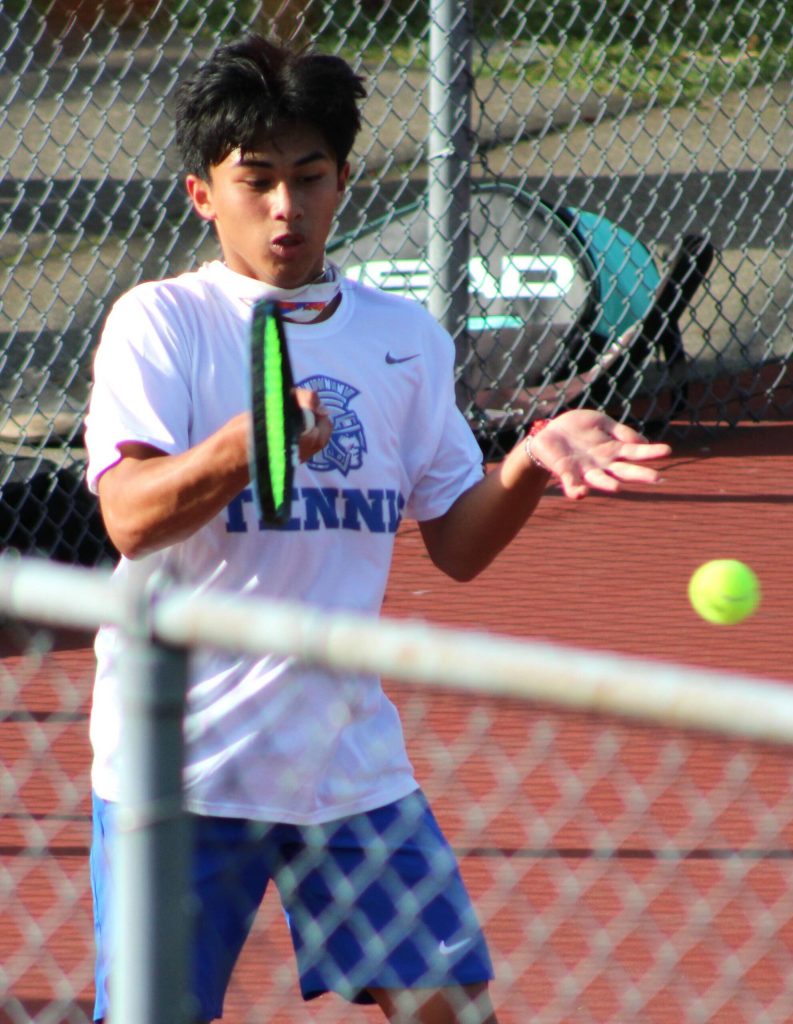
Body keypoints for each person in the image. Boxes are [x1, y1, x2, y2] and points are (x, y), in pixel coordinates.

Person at [84, 33, 671, 1024]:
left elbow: (457, 541)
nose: (285, 207)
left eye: (309, 177)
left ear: (344, 180)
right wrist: (250, 442)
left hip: (343, 758)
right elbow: (130, 517)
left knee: (448, 1004)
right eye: (256, 180)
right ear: (201, 194)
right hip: (182, 758)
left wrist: (526, 461)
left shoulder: (402, 341)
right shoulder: (163, 324)